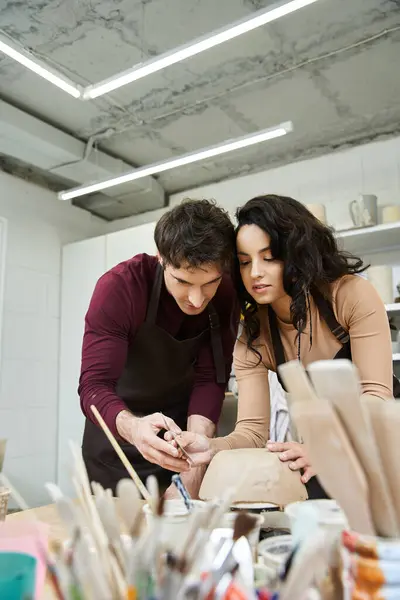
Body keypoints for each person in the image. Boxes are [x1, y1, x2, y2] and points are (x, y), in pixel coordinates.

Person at [173, 194, 396, 499]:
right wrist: (211, 446)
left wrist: (328, 448)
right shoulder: (253, 334)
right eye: (244, 262)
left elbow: (376, 396)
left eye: (270, 257)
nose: (255, 273)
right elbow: (251, 433)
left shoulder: (350, 296)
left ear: (297, 252)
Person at [79, 199, 239, 496]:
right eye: (182, 281)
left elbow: (211, 379)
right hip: (115, 451)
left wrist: (192, 472)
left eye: (209, 283)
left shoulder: (226, 293)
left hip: (179, 448)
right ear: (161, 258)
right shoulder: (120, 288)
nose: (196, 299)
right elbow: (94, 387)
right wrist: (135, 429)